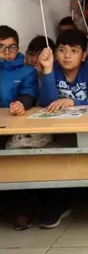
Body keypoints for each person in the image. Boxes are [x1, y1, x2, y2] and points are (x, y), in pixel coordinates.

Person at [33, 30, 88, 229]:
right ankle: (59, 202)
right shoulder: (53, 69)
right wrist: (47, 71)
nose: (67, 55)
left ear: (83, 55)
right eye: (62, 50)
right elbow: (48, 102)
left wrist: (72, 101)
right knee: (55, 156)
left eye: (73, 51)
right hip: (60, 130)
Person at [0, 25, 39, 230]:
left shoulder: (27, 71)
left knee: (14, 159)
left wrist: (22, 103)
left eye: (11, 47)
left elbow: (29, 93)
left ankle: (20, 210)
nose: (7, 52)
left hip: (13, 123)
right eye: (1, 47)